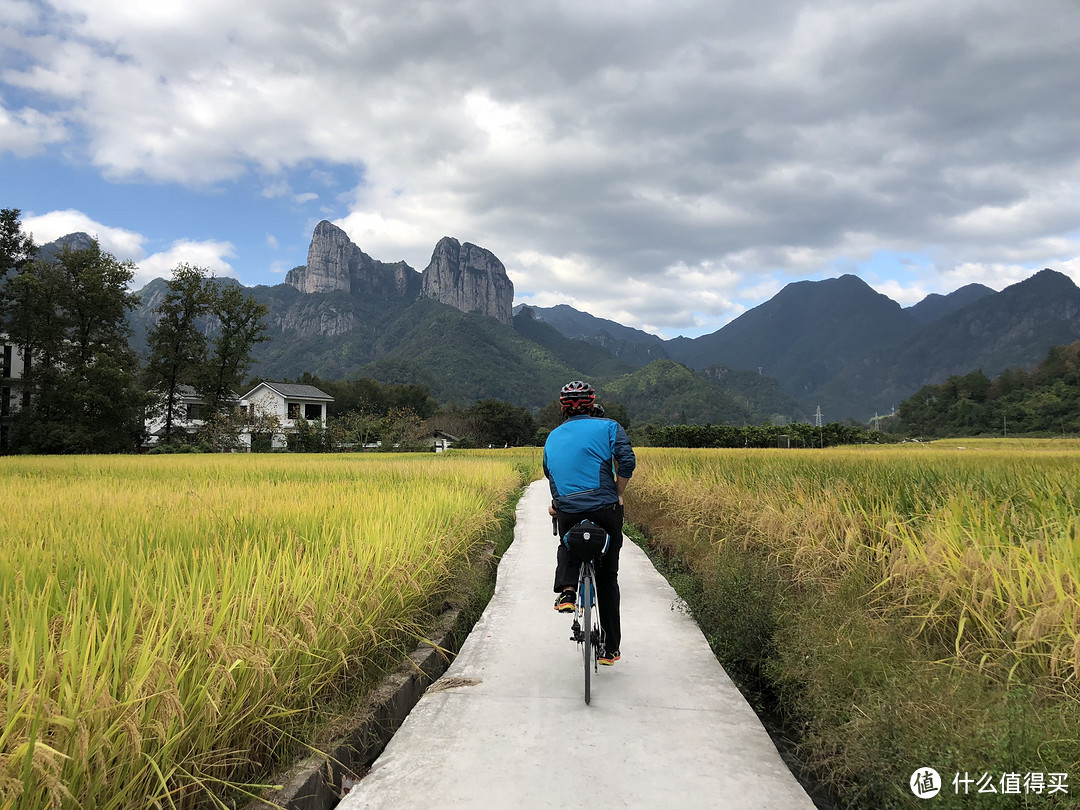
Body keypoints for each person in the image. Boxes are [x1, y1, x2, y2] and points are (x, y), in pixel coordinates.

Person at [543, 380, 636, 665]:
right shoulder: (609, 427)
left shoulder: (552, 437)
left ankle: (568, 591)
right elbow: (628, 463)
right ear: (592, 403)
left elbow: (551, 474)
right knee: (608, 577)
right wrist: (618, 493)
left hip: (569, 510)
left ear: (563, 408)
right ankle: (610, 650)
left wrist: (558, 505)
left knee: (568, 541)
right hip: (605, 509)